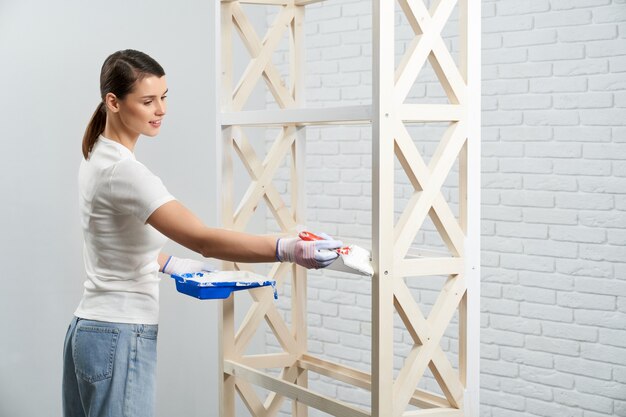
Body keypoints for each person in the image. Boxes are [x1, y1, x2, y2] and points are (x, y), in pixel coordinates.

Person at [62, 49, 342, 417]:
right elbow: (204, 240)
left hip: (89, 332)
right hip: (119, 334)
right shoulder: (126, 173)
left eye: (164, 97)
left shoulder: (97, 155)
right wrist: (286, 248)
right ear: (113, 102)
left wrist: (168, 264)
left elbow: (111, 239)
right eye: (148, 101)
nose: (161, 110)